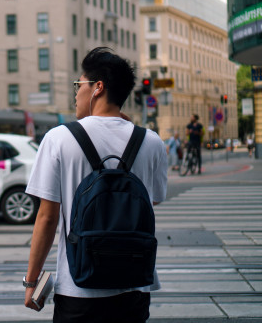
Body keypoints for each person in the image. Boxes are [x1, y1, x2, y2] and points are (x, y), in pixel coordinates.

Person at [23, 47, 167, 322]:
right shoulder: (151, 141)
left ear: (98, 87)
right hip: (135, 287)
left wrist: (32, 282)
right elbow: (153, 200)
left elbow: (47, 217)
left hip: (78, 291)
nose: (76, 93)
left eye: (79, 85)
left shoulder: (59, 138)